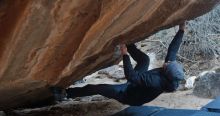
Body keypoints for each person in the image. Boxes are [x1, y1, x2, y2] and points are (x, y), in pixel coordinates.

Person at [51, 22, 186, 106]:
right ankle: (127, 43)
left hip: (128, 94)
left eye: (167, 64)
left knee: (97, 88)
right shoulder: (170, 74)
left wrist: (125, 55)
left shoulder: (155, 81)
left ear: (165, 71)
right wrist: (181, 30)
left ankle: (66, 94)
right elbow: (172, 50)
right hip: (137, 84)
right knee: (145, 60)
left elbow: (131, 77)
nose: (167, 62)